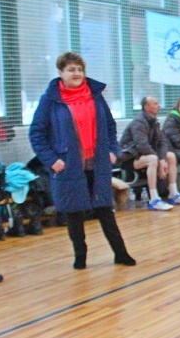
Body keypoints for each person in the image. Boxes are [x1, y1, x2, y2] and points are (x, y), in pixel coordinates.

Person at [29, 52, 136, 269]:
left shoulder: (95, 96)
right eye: (71, 69)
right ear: (61, 72)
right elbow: (37, 134)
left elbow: (110, 127)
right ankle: (80, 257)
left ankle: (121, 253)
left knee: (105, 210)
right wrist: (52, 160)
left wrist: (112, 150)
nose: (76, 73)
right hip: (68, 165)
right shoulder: (50, 100)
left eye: (79, 69)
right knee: (74, 213)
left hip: (97, 164)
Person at [118, 96, 180, 210]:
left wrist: (162, 159)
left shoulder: (154, 122)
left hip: (144, 155)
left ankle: (173, 194)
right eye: (155, 104)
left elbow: (163, 142)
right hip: (129, 158)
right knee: (153, 159)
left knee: (170, 156)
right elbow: (141, 145)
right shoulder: (139, 122)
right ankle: (154, 199)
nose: (159, 106)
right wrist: (159, 160)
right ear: (147, 107)